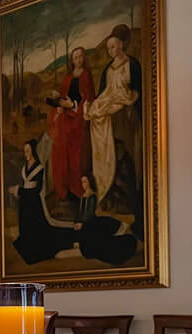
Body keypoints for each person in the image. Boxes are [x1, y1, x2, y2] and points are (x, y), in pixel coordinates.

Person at [86, 24, 142, 206]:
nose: (111, 50)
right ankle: (108, 185)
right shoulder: (107, 70)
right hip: (111, 115)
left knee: (125, 152)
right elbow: (103, 93)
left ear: (121, 45)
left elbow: (137, 91)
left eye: (114, 46)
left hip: (126, 115)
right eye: (108, 47)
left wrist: (126, 100)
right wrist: (97, 106)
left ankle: (130, 193)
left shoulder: (132, 64)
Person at [8, 139, 76, 265]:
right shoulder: (25, 168)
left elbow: (36, 190)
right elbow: (25, 184)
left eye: (28, 151)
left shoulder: (39, 168)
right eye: (25, 151)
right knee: (25, 227)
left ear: (33, 151)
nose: (26, 154)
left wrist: (18, 190)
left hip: (33, 203)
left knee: (37, 229)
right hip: (25, 202)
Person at [48, 46, 95, 201]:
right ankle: (66, 189)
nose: (78, 60)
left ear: (84, 58)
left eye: (81, 56)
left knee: (78, 157)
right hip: (66, 121)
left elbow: (88, 100)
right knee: (65, 155)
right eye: (75, 57)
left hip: (79, 121)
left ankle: (79, 189)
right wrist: (59, 100)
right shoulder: (68, 77)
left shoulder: (86, 76)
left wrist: (73, 106)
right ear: (72, 60)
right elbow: (64, 96)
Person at [73, 174, 137, 265]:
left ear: (90, 182)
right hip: (84, 223)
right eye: (82, 182)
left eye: (85, 182)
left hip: (90, 221)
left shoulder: (92, 195)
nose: (83, 184)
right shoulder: (83, 196)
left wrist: (83, 224)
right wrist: (77, 221)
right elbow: (80, 212)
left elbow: (90, 212)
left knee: (96, 236)